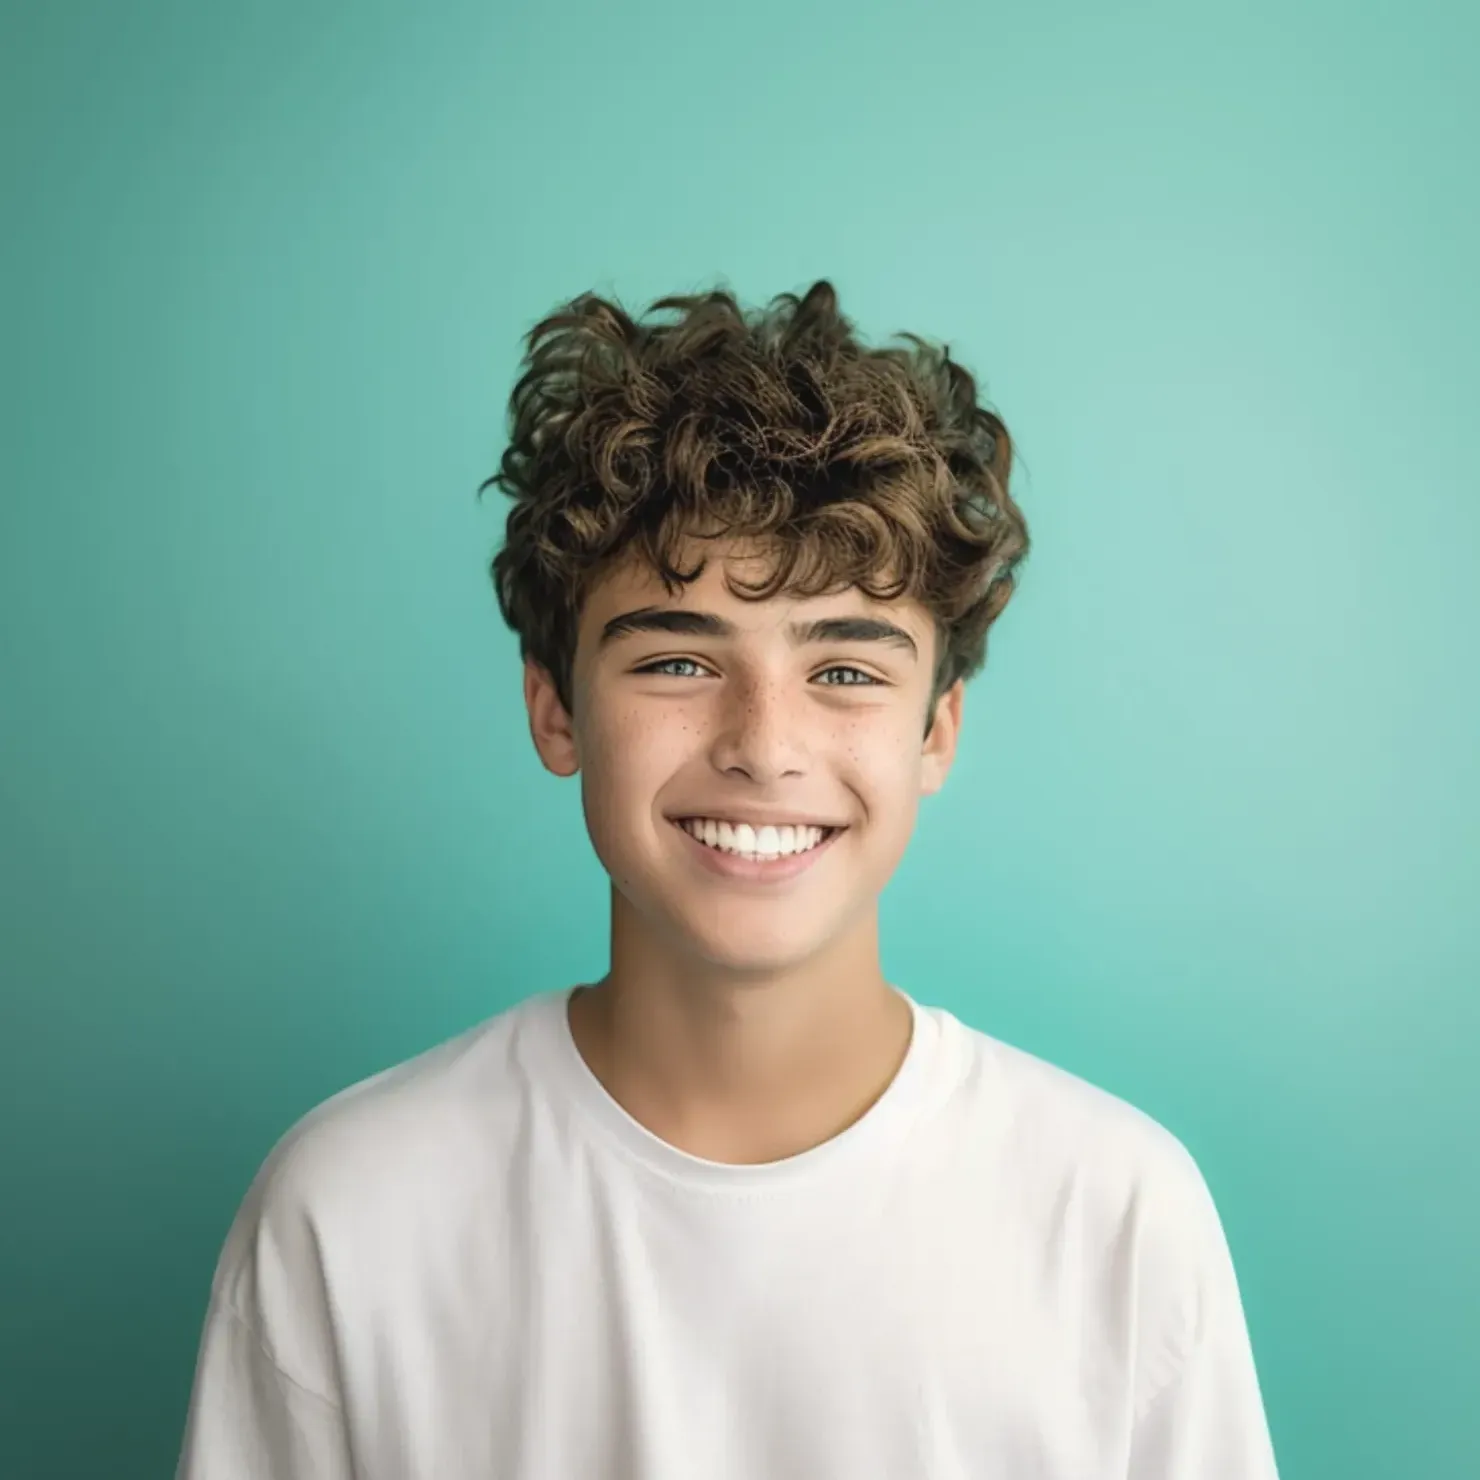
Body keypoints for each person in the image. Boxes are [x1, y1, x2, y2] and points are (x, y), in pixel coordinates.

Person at [174, 279, 1281, 1478]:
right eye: (677, 658)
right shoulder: (349, 1213)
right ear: (555, 710)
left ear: (936, 733)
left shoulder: (1117, 1217)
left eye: (848, 672)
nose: (763, 741)